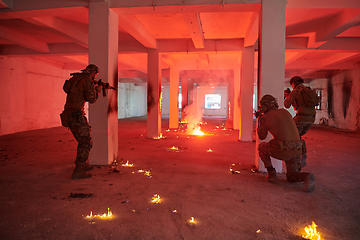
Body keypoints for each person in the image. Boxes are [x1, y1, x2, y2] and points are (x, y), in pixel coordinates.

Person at [257, 94, 315, 192]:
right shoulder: (285, 112)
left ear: (264, 106)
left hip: (284, 149)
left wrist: (260, 119)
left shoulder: (265, 117)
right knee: (291, 176)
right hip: (297, 149)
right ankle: (306, 176)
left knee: (261, 147)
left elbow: (262, 136)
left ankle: (271, 174)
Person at [60, 64, 102, 179]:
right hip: (76, 115)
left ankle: (82, 164)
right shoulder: (87, 81)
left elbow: (69, 90)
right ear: (92, 73)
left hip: (68, 114)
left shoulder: (75, 78)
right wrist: (97, 90)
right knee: (86, 142)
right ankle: (78, 170)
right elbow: (92, 99)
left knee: (83, 140)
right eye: (95, 74)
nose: (94, 76)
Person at [284, 76, 316, 167]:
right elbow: (296, 107)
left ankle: (298, 156)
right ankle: (302, 154)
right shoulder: (308, 90)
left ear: (293, 83)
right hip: (311, 119)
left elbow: (286, 105)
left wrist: (288, 96)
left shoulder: (295, 91)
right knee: (297, 137)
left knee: (291, 135)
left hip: (301, 118)